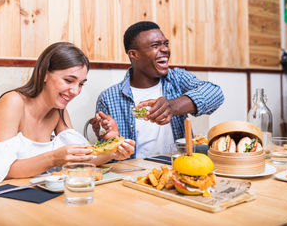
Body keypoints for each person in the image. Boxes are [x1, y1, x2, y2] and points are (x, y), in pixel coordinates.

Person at [0, 42, 135, 184]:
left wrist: (113, 149)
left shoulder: (59, 109)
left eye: (81, 84)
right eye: (68, 80)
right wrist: (53, 158)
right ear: (44, 74)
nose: (75, 91)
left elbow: (79, 159)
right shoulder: (12, 103)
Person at [90, 21, 224, 159]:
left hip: (179, 168)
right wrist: (112, 139)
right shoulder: (108, 97)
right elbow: (106, 154)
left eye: (165, 44)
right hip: (133, 173)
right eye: (155, 45)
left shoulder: (176, 78)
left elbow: (215, 94)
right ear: (134, 54)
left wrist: (172, 106)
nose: (165, 49)